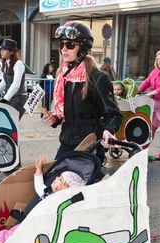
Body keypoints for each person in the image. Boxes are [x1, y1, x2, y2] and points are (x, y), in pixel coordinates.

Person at [41, 21, 122, 161]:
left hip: (90, 146)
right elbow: (66, 113)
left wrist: (108, 130)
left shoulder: (97, 78)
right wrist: (54, 119)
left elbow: (113, 114)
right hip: (66, 143)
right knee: (52, 180)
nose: (64, 49)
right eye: (62, 44)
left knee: (83, 182)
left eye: (70, 45)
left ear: (83, 49)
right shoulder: (63, 77)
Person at [0, 155, 86, 243]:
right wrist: (39, 170)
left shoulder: (63, 204)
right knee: (14, 231)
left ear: (65, 187)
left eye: (60, 179)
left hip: (41, 229)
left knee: (16, 235)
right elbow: (39, 186)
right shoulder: (48, 193)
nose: (56, 177)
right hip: (32, 224)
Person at [0, 39, 26, 118]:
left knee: (9, 125)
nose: (1, 51)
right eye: (1, 49)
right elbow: (5, 81)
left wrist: (5, 99)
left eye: (4, 49)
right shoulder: (7, 63)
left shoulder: (18, 64)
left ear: (11, 52)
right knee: (6, 125)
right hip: (11, 98)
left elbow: (16, 85)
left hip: (18, 99)